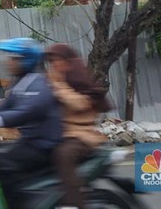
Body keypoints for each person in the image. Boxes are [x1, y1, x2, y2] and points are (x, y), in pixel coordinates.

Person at [0, 37, 62, 199]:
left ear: (27, 61)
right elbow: (2, 108)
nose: (9, 62)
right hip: (29, 143)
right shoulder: (20, 83)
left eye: (14, 59)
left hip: (43, 147)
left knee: (1, 161)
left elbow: (21, 114)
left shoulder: (38, 84)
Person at [45, 43, 112, 209]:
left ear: (68, 62)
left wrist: (58, 85)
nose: (54, 65)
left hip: (82, 136)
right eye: (51, 61)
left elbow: (79, 104)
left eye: (57, 60)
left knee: (63, 154)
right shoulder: (56, 80)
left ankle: (73, 203)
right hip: (62, 133)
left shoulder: (79, 82)